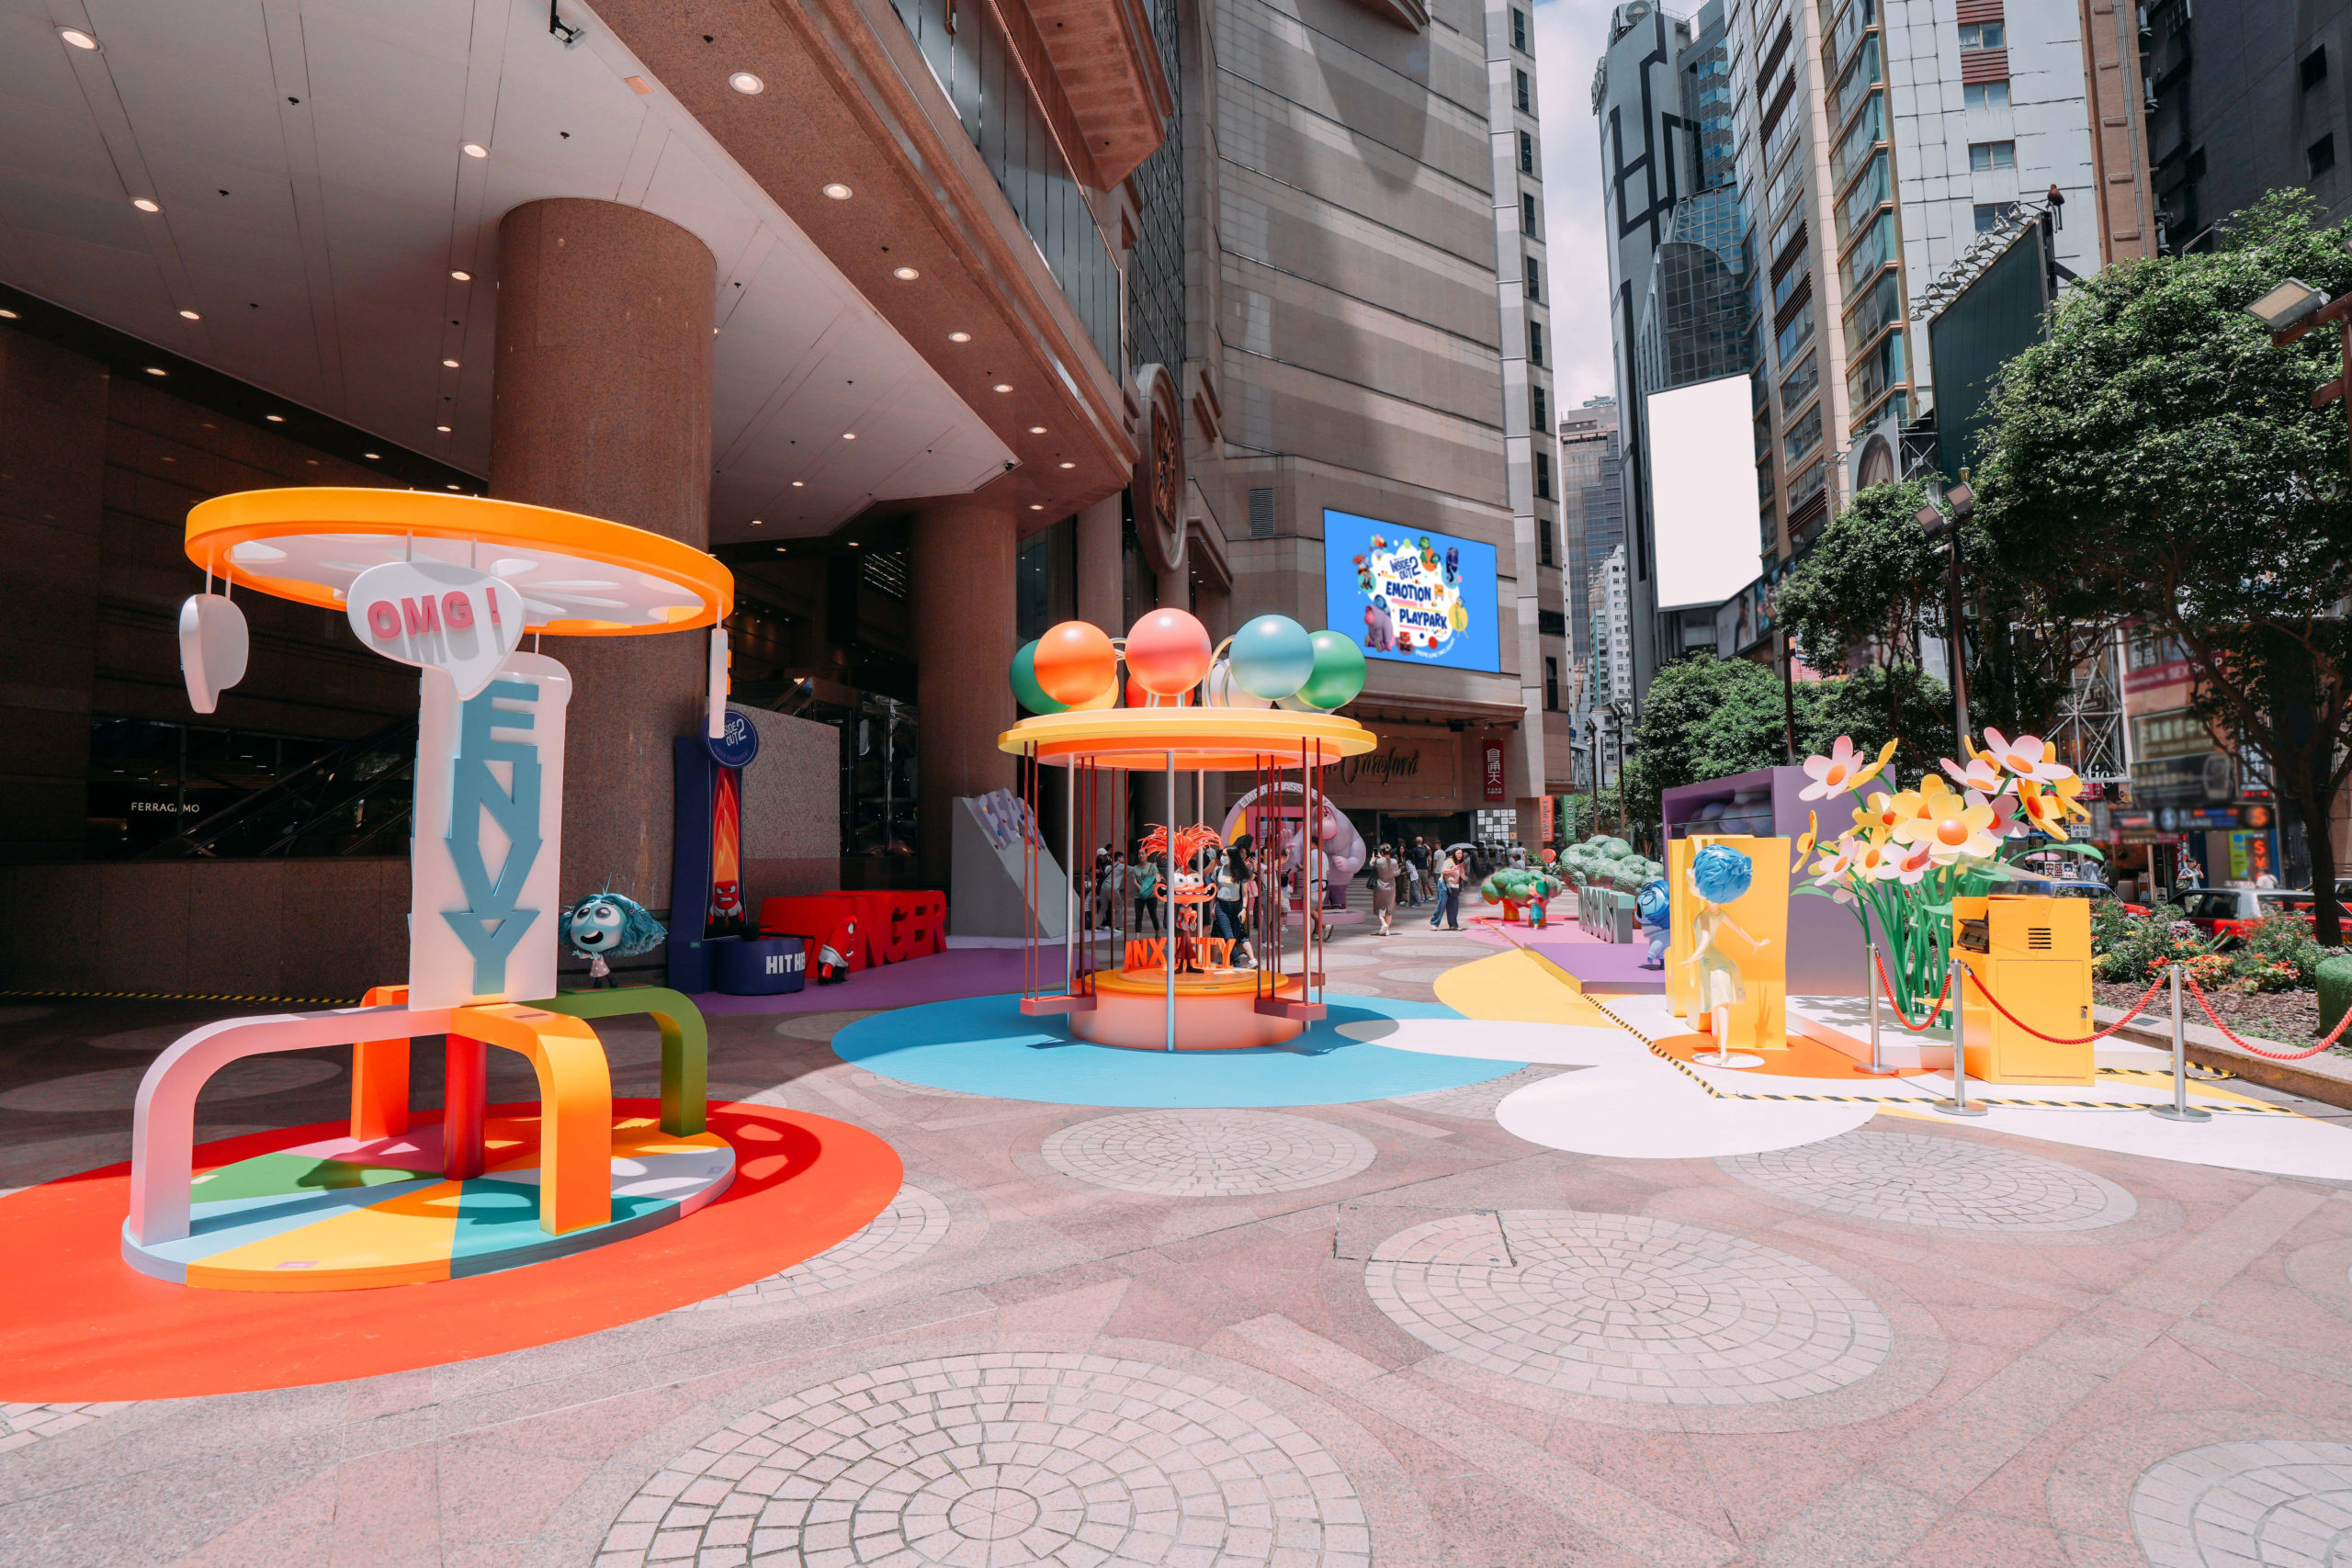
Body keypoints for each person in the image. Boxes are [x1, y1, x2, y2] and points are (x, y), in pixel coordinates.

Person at [1369, 842, 1400, 936]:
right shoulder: (1394, 861)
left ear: (1381, 852)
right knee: (1389, 909)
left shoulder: (1378, 861)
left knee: (1379, 907)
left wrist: (1373, 857)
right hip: (1391, 887)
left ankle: (1384, 924)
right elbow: (1396, 872)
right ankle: (1387, 930)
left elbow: (1371, 864)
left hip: (1380, 887)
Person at [1438, 847, 1468, 931]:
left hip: (1455, 887)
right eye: (1458, 853)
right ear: (1454, 854)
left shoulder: (1460, 863)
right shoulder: (1449, 861)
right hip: (1448, 885)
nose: (1460, 855)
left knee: (1454, 907)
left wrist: (1470, 880)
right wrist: (1453, 869)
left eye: (1461, 853)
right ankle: (1450, 924)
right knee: (1450, 906)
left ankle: (1452, 925)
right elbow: (1444, 871)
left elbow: (1462, 875)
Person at [1132, 852, 1161, 934]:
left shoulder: (1152, 866)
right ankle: (1137, 938)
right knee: (1138, 916)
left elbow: (1158, 879)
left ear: (1147, 855)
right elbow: (1135, 882)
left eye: (1143, 854)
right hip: (1139, 896)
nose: (1141, 855)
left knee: (1153, 915)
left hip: (1151, 895)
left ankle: (1157, 933)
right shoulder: (1135, 868)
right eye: (1139, 854)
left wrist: (1152, 892)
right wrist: (1142, 890)